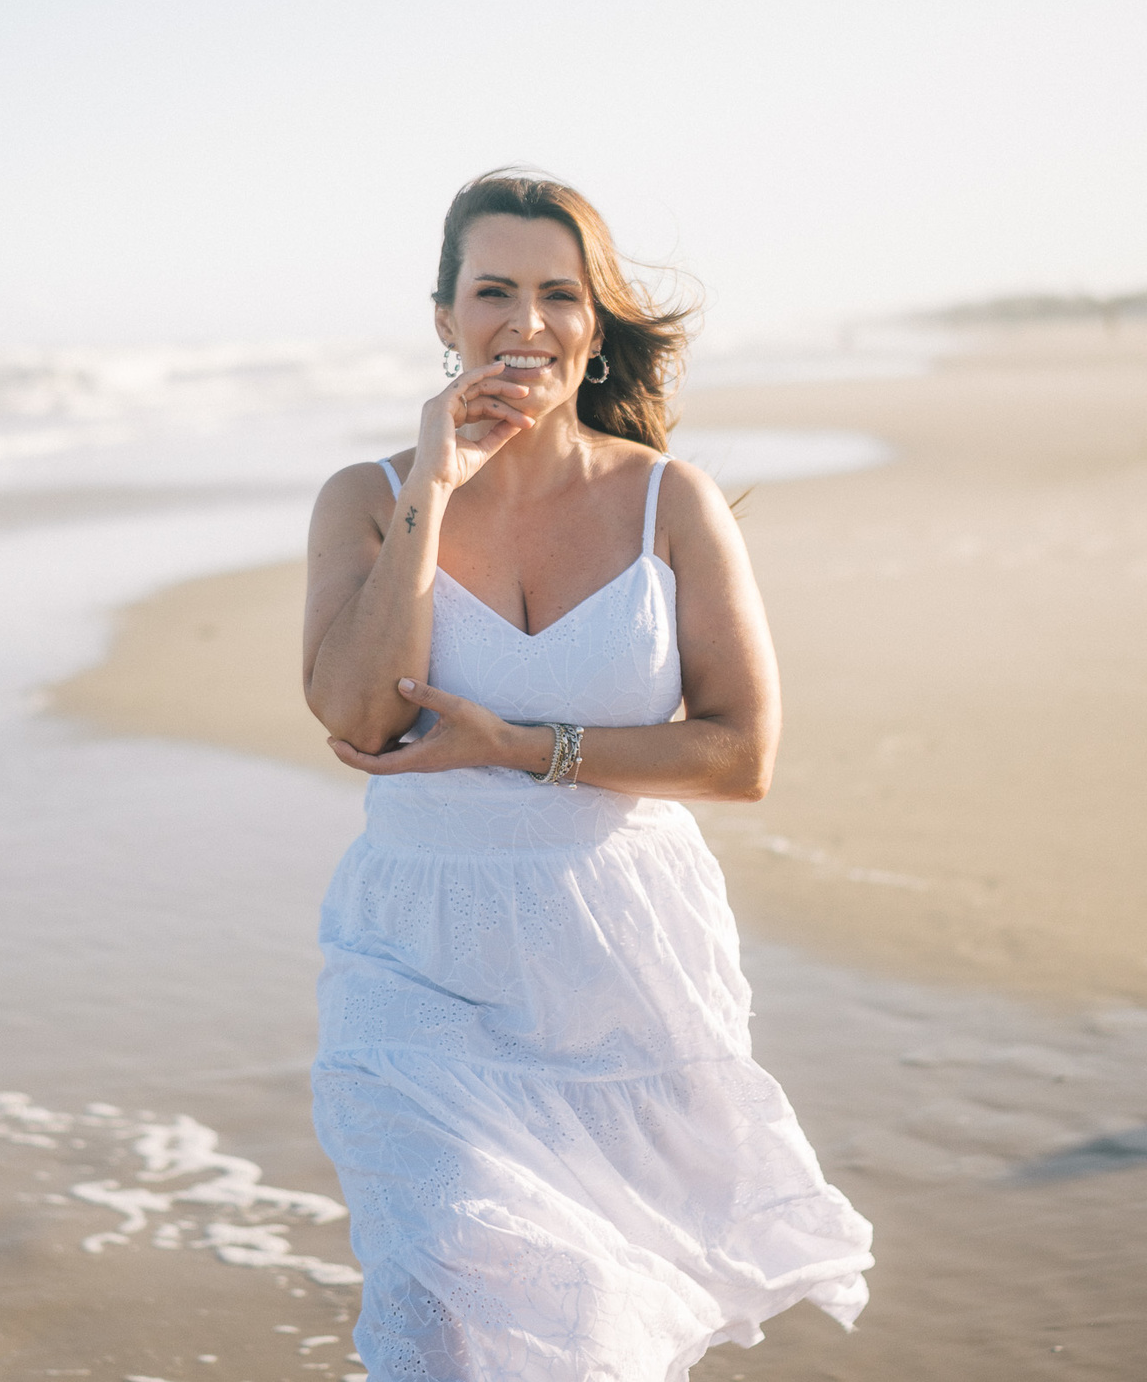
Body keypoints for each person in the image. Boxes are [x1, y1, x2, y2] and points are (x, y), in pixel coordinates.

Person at [304, 169, 873, 1381]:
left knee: (586, 1327)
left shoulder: (670, 500)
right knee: (448, 1304)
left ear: (597, 318)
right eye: (494, 290)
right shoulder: (366, 497)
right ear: (444, 314)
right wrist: (434, 485)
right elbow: (355, 709)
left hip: (617, 960)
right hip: (418, 953)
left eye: (560, 294)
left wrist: (516, 745)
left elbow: (741, 753)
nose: (527, 321)